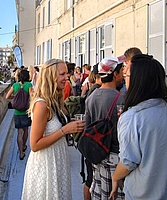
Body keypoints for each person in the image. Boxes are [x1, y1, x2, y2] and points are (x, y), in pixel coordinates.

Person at [109, 54, 167, 200]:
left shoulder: (133, 117)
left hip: (143, 193)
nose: (124, 79)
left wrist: (115, 177)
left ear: (138, 80)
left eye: (127, 75)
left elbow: (128, 162)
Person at [21, 59, 86, 200]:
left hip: (57, 161)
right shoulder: (42, 104)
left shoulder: (55, 100)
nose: (67, 77)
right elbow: (34, 144)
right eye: (62, 74)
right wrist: (64, 130)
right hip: (46, 166)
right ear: (51, 77)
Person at [84, 56, 125, 200]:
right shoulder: (122, 98)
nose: (123, 74)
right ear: (115, 74)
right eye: (121, 71)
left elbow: (87, 126)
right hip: (115, 155)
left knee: (99, 193)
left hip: (97, 154)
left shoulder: (91, 97)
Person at [83, 63, 102, 200]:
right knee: (91, 180)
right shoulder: (96, 93)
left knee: (90, 179)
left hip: (92, 143)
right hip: (97, 143)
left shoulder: (93, 91)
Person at [6, 69, 33, 160]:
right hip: (26, 111)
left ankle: (21, 152)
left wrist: (15, 96)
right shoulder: (29, 85)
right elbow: (32, 97)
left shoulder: (15, 85)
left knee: (19, 132)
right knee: (26, 130)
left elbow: (7, 97)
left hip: (17, 112)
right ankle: (24, 146)